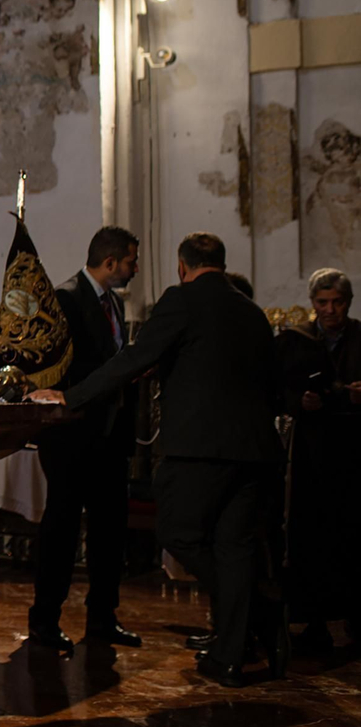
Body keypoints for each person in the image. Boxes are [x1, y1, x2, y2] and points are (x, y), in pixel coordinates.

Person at [32, 233, 286, 687]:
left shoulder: (181, 299)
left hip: (200, 448)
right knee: (233, 547)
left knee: (179, 535)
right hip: (257, 449)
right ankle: (230, 655)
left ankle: (257, 610)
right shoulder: (251, 310)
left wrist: (71, 397)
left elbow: (133, 358)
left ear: (182, 267)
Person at [28, 226, 143, 650]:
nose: (135, 269)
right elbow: (58, 369)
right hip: (72, 439)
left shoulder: (113, 302)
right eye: (131, 261)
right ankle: (44, 619)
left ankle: (102, 619)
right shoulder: (66, 298)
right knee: (60, 530)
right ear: (110, 262)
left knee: (109, 533)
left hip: (110, 438)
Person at [276, 267, 361, 652]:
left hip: (354, 449)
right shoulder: (298, 339)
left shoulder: (360, 336)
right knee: (310, 534)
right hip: (312, 450)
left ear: (348, 303)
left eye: (337, 302)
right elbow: (280, 387)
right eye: (323, 302)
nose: (330, 310)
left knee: (351, 534)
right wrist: (300, 401)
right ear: (312, 304)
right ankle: (313, 621)